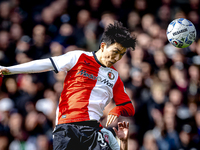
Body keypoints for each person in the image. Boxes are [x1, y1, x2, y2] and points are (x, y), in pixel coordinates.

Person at [0, 21, 136, 150]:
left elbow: (129, 107)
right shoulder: (79, 57)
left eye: (122, 54)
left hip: (92, 129)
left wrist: (117, 110)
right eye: (115, 52)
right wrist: (10, 70)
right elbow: (45, 64)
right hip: (67, 126)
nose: (117, 58)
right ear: (103, 46)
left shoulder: (114, 76)